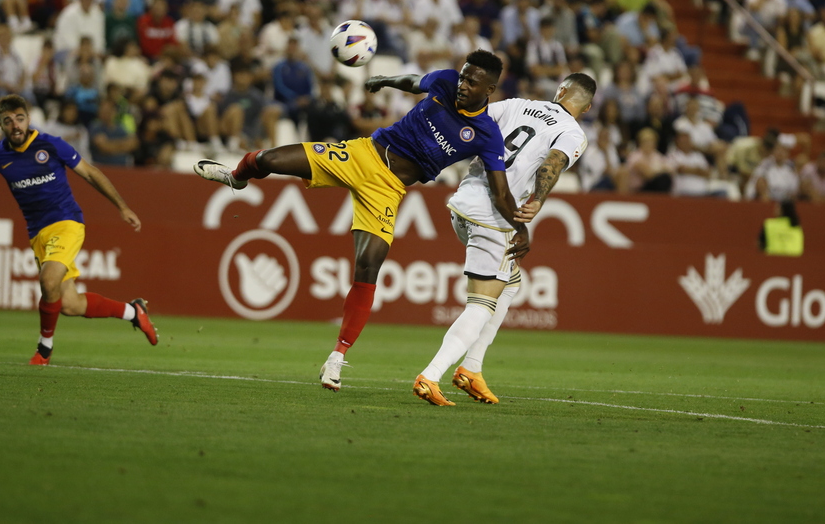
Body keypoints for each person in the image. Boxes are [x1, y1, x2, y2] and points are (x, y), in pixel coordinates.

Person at [193, 50, 530, 391]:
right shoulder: (443, 81)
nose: (463, 85)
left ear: (489, 89)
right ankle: (237, 177)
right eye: (463, 76)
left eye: (472, 82)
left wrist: (519, 227)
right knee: (270, 158)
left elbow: (501, 192)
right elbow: (413, 82)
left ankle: (337, 358)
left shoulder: (486, 134)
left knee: (368, 265)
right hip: (362, 154)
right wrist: (384, 80)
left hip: (387, 188)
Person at [0, 95, 157, 365]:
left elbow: (90, 173)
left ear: (28, 118)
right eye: (7, 121)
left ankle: (44, 350)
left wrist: (122, 206)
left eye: (19, 118)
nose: (15, 125)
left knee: (49, 281)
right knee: (70, 304)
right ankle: (134, 312)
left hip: (67, 222)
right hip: (38, 234)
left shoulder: (50, 144)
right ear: (0, 124)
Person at [414, 74, 596, 406]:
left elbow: (469, 119)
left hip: (462, 204)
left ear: (561, 91)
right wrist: (538, 200)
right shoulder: (572, 133)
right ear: (588, 106)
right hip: (495, 218)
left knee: (510, 282)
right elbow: (552, 164)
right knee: (482, 305)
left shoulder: (516, 105)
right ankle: (431, 374)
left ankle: (471, 368)